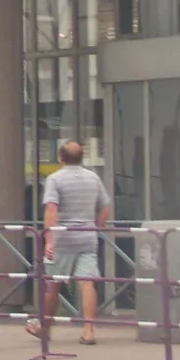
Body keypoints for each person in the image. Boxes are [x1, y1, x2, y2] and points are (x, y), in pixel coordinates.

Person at [29, 140, 110, 345]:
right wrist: (96, 228)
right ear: (82, 157)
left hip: (62, 239)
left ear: (60, 157)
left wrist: (49, 240)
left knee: (53, 285)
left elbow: (51, 210)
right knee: (87, 283)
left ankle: (44, 328)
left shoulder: (54, 179)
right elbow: (105, 207)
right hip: (87, 238)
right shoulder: (93, 178)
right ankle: (89, 331)